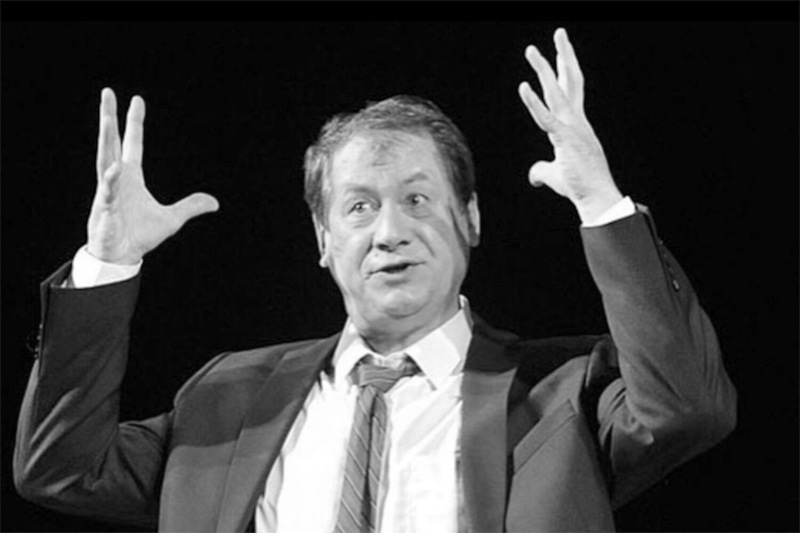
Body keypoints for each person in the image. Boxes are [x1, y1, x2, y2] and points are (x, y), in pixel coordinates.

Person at [13, 28, 736, 532]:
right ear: (324, 241)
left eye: (417, 199)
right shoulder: (228, 398)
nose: (389, 231)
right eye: (359, 206)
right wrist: (107, 262)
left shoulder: (560, 395)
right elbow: (61, 467)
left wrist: (601, 203)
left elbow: (688, 408)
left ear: (471, 219)